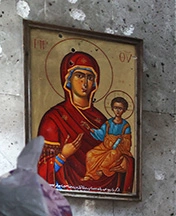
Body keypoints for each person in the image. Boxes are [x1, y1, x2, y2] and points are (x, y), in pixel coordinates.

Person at [36, 51, 134, 194]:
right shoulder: (54, 118)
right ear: (68, 79)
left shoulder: (102, 120)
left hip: (107, 188)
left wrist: (126, 164)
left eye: (90, 77)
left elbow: (119, 150)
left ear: (95, 82)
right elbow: (41, 170)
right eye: (79, 76)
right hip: (67, 188)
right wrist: (63, 156)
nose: (85, 82)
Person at [84, 96, 133, 182]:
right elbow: (101, 133)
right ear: (112, 108)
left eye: (120, 108)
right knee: (90, 154)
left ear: (124, 110)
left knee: (113, 154)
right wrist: (90, 129)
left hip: (118, 149)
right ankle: (89, 174)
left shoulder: (125, 126)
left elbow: (127, 142)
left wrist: (122, 140)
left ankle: (101, 170)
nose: (117, 111)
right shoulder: (108, 123)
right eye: (115, 108)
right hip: (104, 147)